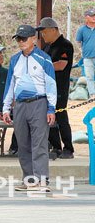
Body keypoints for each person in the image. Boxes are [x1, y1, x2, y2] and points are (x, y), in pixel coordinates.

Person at [3, 24, 56, 192]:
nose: (20, 42)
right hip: (19, 106)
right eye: (18, 38)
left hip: (39, 104)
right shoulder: (14, 60)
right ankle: (29, 180)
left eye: (24, 38)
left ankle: (42, 181)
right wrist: (6, 108)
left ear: (34, 39)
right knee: (23, 144)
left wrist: (51, 108)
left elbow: (51, 85)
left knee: (39, 143)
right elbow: (10, 84)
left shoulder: (44, 58)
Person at [37, 17, 75, 159]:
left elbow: (61, 65)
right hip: (45, 88)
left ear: (53, 30)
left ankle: (68, 148)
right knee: (48, 117)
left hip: (59, 88)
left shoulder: (65, 45)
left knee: (60, 116)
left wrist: (41, 69)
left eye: (44, 32)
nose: (43, 35)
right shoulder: (46, 47)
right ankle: (56, 146)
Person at [75, 9, 95, 98]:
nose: (94, 17)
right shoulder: (81, 30)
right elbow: (78, 42)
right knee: (89, 77)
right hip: (87, 57)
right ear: (86, 17)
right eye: (92, 16)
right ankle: (92, 95)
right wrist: (82, 51)